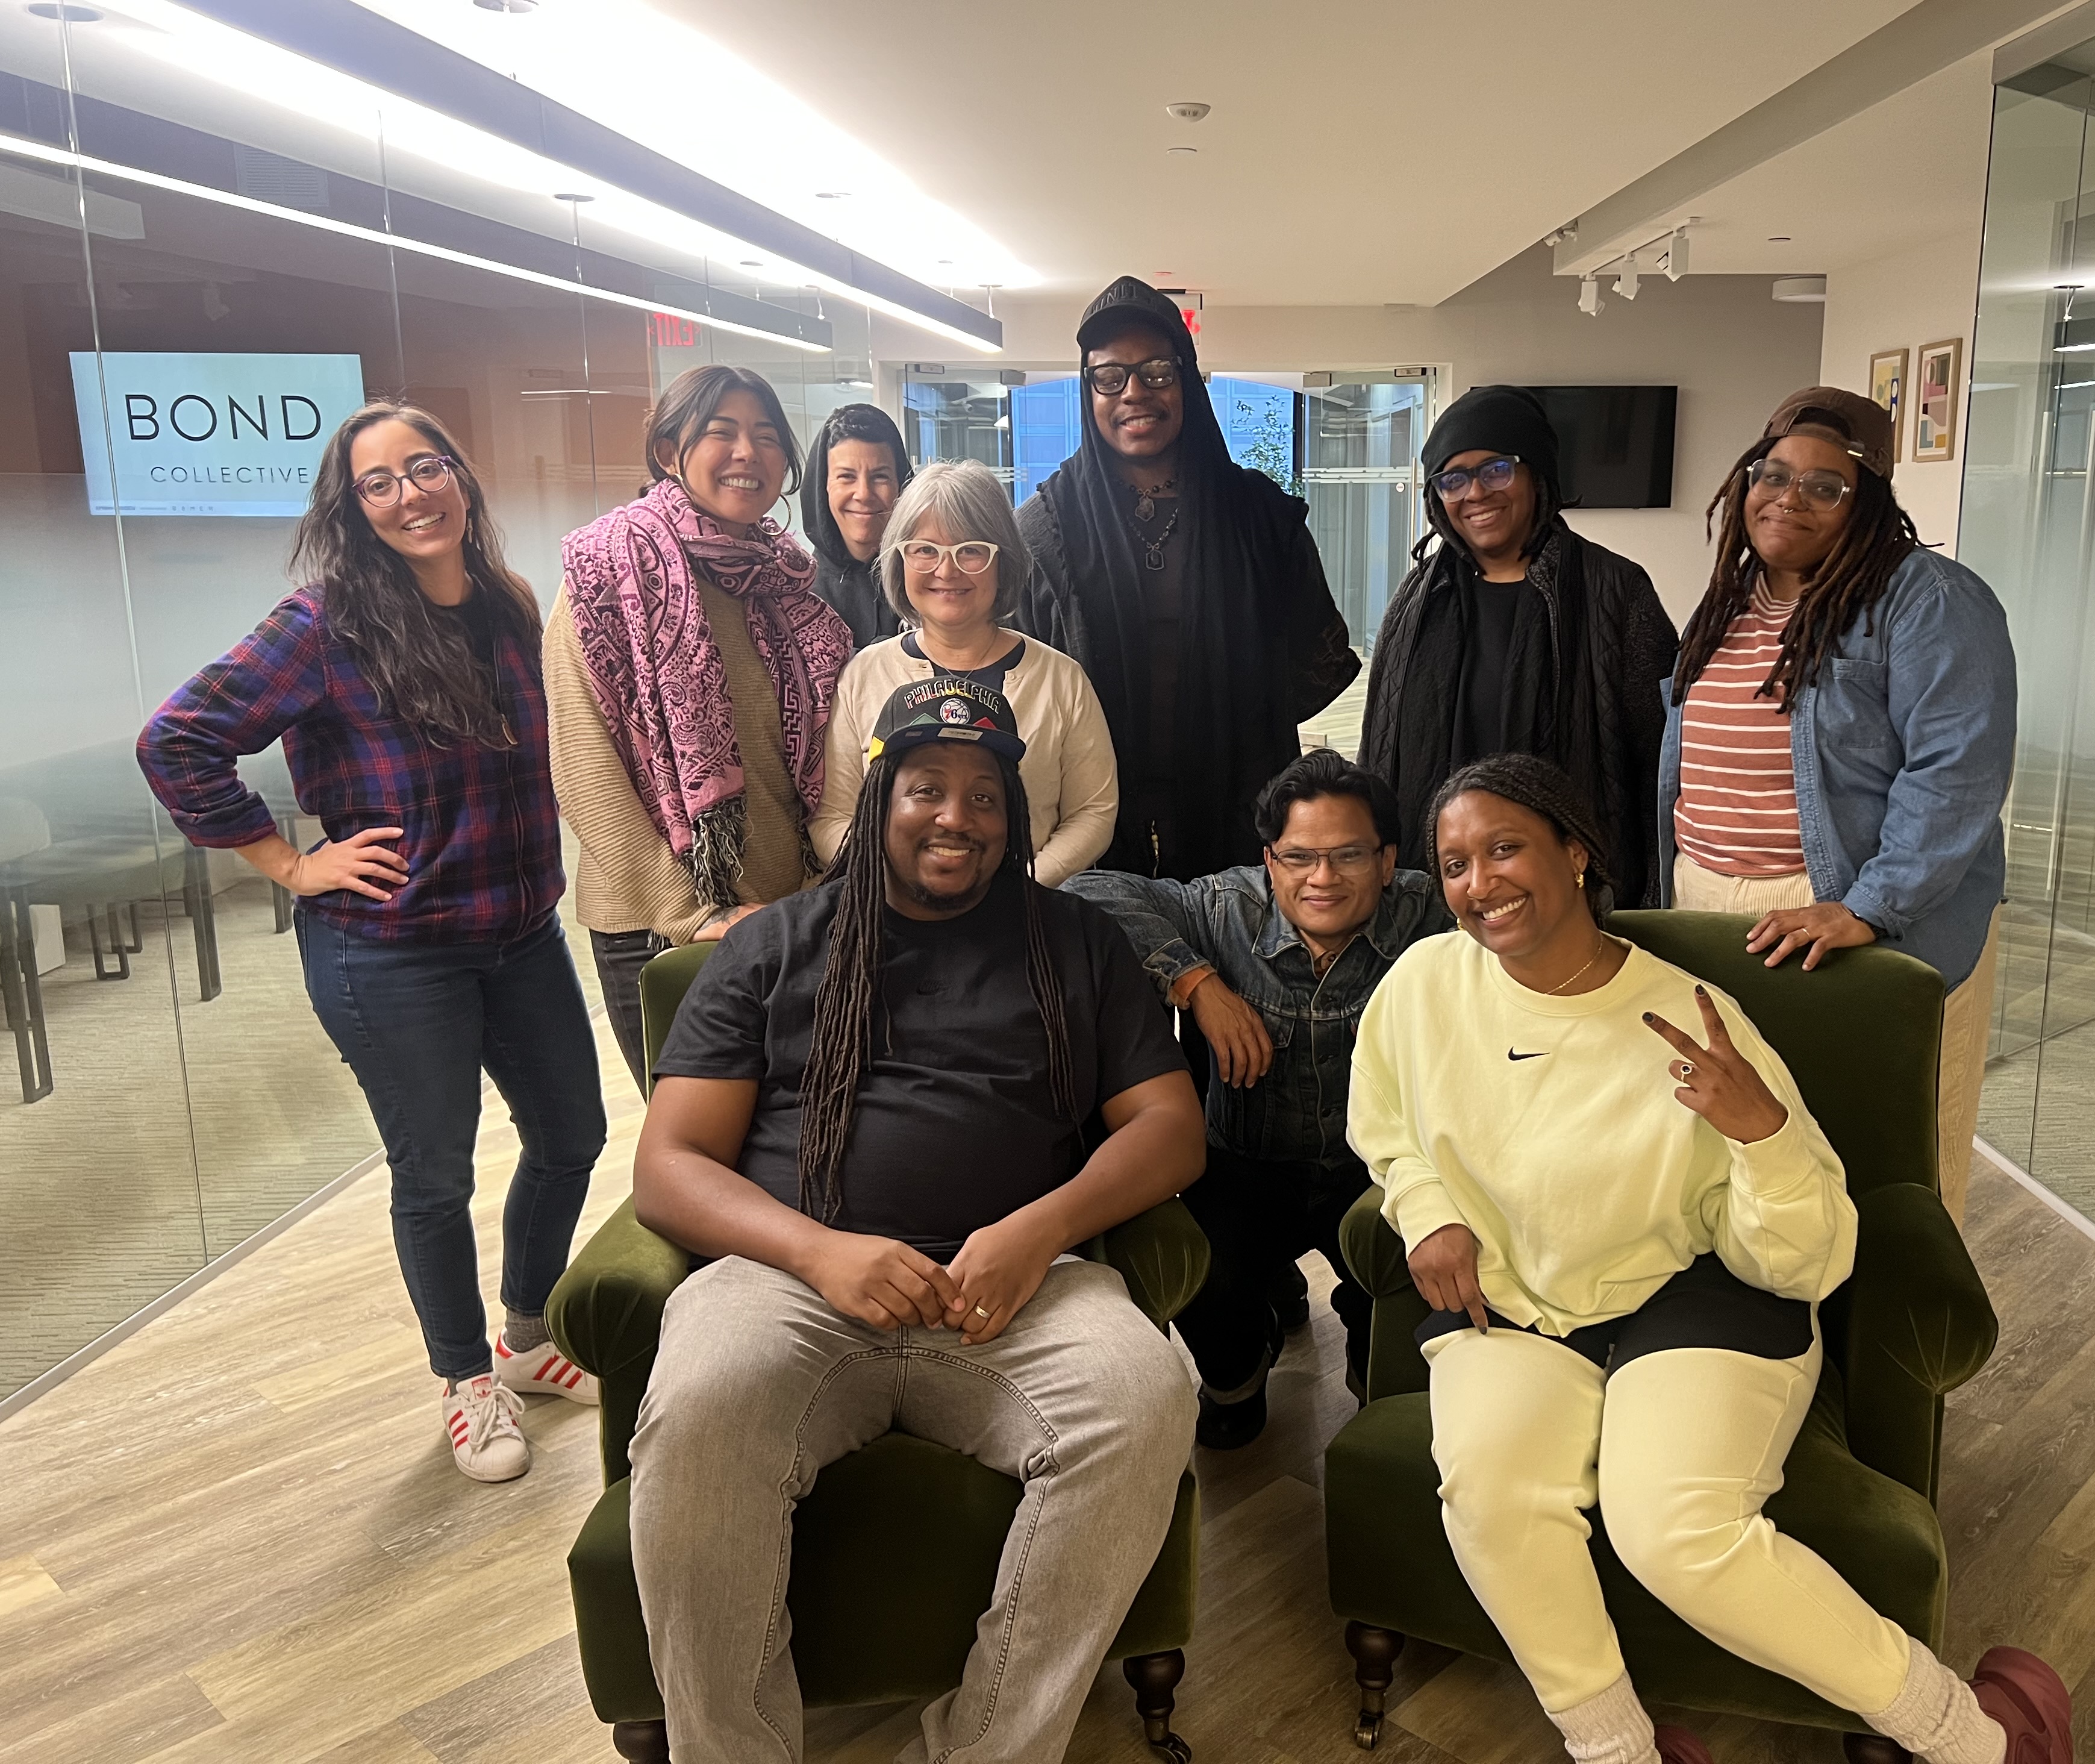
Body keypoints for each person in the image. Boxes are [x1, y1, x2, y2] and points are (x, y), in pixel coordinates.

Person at [1349, 754, 2071, 1764]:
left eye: (1505, 847)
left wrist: (1763, 1131)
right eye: (1455, 861)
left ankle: (1979, 1738)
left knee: (1673, 1528)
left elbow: (1808, 1254)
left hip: (1698, 1289)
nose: (1478, 884)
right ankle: (1617, 1750)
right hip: (1519, 1297)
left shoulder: (1688, 1018)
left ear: (1575, 850)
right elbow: (1384, 1126)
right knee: (1488, 1487)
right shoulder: (1424, 982)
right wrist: (1425, 1210)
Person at [627, 675, 1202, 1764]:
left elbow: (1170, 1130)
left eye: (985, 796)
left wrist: (1041, 1227)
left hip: (1017, 1293)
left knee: (1142, 1395)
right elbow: (668, 1166)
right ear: (881, 796)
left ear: (1014, 816)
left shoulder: (1075, 942)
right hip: (790, 1285)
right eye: (927, 788)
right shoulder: (773, 947)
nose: (956, 816)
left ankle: (987, 1748)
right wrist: (816, 1249)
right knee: (699, 1409)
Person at [137, 403, 606, 1483]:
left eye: (426, 466)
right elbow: (176, 738)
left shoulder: (506, 604)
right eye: (379, 483)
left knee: (573, 1134)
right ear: (353, 510)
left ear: (461, 478)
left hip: (520, 929)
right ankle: (465, 1380)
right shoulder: (322, 624)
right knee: (433, 1171)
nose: (410, 494)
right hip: (390, 952)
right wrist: (292, 861)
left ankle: (526, 1340)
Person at [1659, 387, 2015, 1221]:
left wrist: (1868, 907)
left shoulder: (1926, 596)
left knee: (1868, 1157)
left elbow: (1957, 770)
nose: (1788, 497)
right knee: (1743, 1144)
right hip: (1710, 905)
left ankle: (1881, 1341)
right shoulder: (1732, 601)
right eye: (1772, 474)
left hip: (1835, 916)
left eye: (1826, 486)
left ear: (1871, 502)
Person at [1067, 749, 1455, 1446]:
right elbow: (1087, 891)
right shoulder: (1225, 906)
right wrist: (1197, 984)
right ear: (1270, 862)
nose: (1323, 878)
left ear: (1388, 860)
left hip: (1377, 1171)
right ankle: (1242, 1368)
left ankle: (1371, 1372)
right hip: (1246, 1161)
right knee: (1197, 1269)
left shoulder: (1429, 911)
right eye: (1299, 857)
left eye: (1349, 856)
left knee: (1391, 1361)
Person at [546, 364, 853, 1082]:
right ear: (667, 451)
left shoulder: (785, 583)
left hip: (789, 908)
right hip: (663, 924)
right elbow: (585, 767)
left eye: (767, 436)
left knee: (793, 1135)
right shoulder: (604, 574)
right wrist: (695, 915)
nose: (748, 452)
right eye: (722, 432)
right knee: (696, 1158)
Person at [1017, 275, 1359, 878]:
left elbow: (1317, 660)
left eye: (1155, 371)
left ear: (1186, 379)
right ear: (1087, 389)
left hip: (1241, 800)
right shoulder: (1044, 530)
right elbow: (1016, 684)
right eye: (1109, 376)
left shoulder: (1259, 517)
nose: (1133, 393)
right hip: (1084, 816)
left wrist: (1237, 718)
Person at [1361, 384, 1676, 910]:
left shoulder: (1615, 591)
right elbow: (1379, 751)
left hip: (1572, 895)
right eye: (1453, 479)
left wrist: (1648, 896)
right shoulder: (1419, 597)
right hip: (1435, 895)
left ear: (1537, 473)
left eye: (1496, 470)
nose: (1476, 494)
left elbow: (1661, 762)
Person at [811, 460, 1116, 886]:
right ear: (900, 561)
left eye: (971, 550)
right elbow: (832, 816)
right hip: (892, 920)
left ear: (1003, 562)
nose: (947, 570)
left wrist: (1024, 887)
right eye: (924, 550)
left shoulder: (1062, 681)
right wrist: (897, 885)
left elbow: (1093, 812)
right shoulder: (862, 676)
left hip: (1024, 918)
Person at [799, 401, 914, 649]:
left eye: (880, 476)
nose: (863, 493)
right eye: (847, 477)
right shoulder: (797, 596)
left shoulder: (930, 582)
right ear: (823, 486)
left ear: (902, 485)